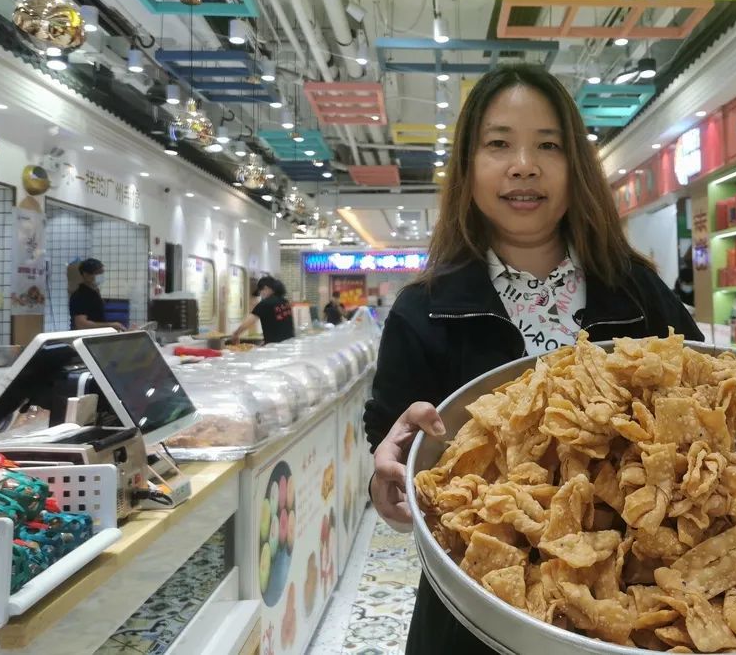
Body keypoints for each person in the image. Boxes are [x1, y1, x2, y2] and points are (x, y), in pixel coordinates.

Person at [363, 63, 704, 655]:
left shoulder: (637, 293)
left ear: (576, 168)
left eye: (548, 145)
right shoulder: (424, 311)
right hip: (475, 615)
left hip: (634, 614)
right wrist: (389, 480)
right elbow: (393, 469)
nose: (524, 165)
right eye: (499, 144)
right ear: (468, 167)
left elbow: (710, 393)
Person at [230, 276, 295, 345]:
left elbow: (249, 321)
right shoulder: (285, 302)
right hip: (290, 343)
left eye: (260, 291)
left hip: (275, 346)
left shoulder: (265, 304)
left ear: (266, 288)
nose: (261, 294)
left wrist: (236, 333)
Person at [69, 258, 125, 331]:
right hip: (87, 336)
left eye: (102, 273)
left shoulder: (94, 293)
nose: (101, 276)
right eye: (98, 273)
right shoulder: (80, 296)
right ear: (86, 274)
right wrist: (111, 325)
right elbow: (81, 324)